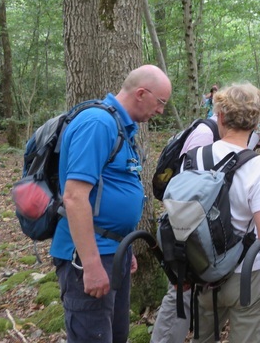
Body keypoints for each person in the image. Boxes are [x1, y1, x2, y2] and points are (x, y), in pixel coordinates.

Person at [49, 65, 172, 343]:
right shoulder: (97, 123)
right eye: (161, 102)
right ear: (141, 93)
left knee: (115, 335)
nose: (161, 111)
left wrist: (124, 250)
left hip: (113, 254)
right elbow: (75, 196)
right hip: (87, 258)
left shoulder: (120, 127)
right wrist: (92, 266)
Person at [186, 83, 260, 343]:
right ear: (256, 123)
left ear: (219, 116)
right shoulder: (259, 165)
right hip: (245, 274)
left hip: (201, 269)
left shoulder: (195, 157)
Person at [151, 95, 260, 343]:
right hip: (192, 237)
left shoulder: (222, 137)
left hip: (206, 239)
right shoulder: (204, 135)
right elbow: (186, 192)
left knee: (195, 304)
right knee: (179, 295)